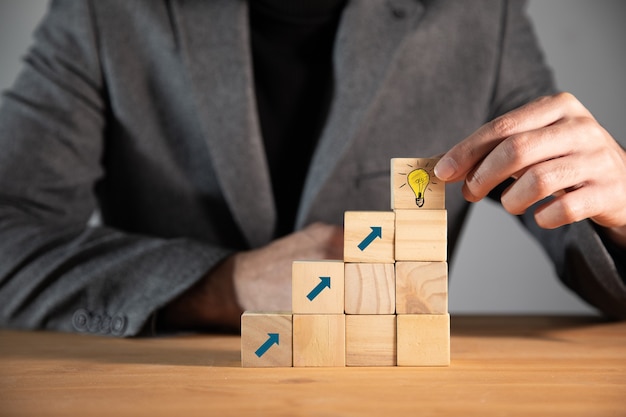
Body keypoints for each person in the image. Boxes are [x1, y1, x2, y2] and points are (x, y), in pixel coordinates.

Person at [0, 0, 624, 337]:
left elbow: (583, 237)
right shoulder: (101, 14)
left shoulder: (480, 18)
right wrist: (223, 287)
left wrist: (623, 213)